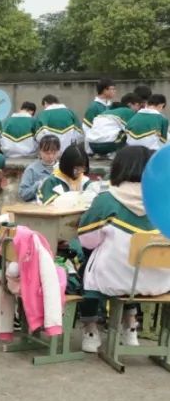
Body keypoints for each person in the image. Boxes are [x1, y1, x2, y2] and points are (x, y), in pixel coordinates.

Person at [78, 147, 168, 353]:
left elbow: (86, 240)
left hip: (116, 280)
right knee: (131, 265)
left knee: (88, 264)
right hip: (160, 282)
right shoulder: (164, 200)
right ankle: (130, 326)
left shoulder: (108, 200)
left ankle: (90, 330)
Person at [19, 135, 61, 203]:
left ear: (59, 152)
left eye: (54, 153)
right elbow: (23, 194)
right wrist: (38, 185)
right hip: (37, 206)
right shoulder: (32, 170)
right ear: (40, 151)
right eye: (47, 153)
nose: (50, 156)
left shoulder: (61, 168)